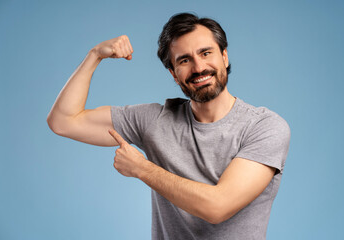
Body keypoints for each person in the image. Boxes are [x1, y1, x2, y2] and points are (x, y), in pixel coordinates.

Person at [47, 13, 290, 240]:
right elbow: (63, 121)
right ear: (174, 74)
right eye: (184, 60)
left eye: (206, 53)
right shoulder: (155, 120)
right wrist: (94, 55)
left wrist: (142, 169)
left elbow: (218, 206)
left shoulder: (264, 127)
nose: (198, 67)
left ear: (224, 57)